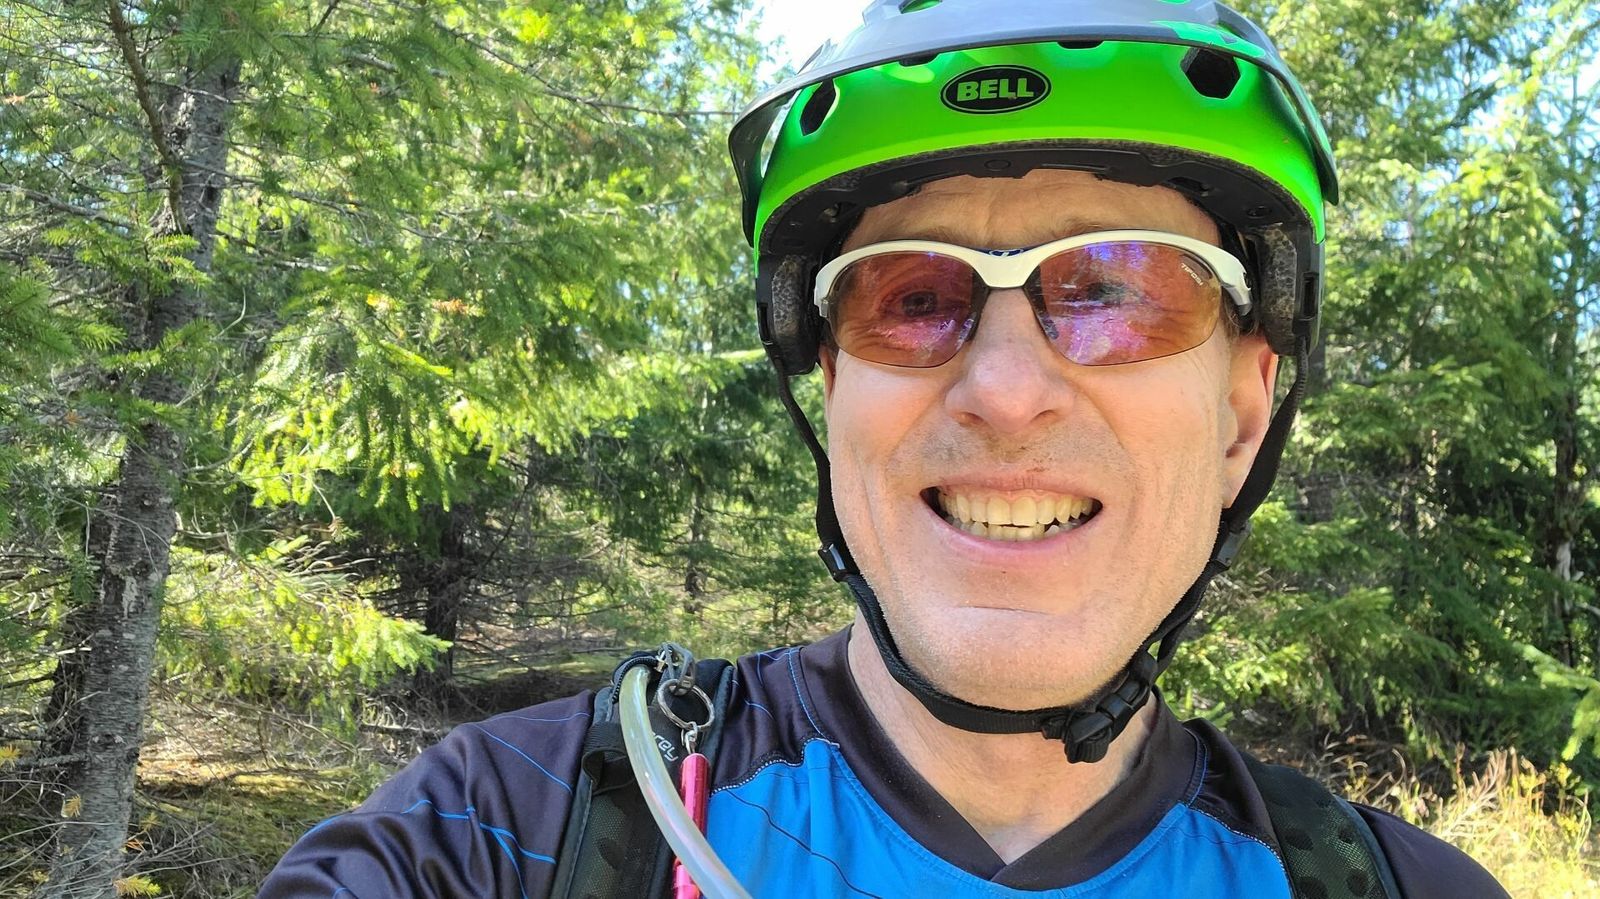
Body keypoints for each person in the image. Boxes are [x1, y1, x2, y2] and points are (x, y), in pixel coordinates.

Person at [260, 1, 1510, 896]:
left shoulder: (1389, 883)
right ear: (831, 391)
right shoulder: (519, 827)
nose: (1005, 391)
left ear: (1241, 415)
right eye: (911, 297)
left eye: (1115, 291)